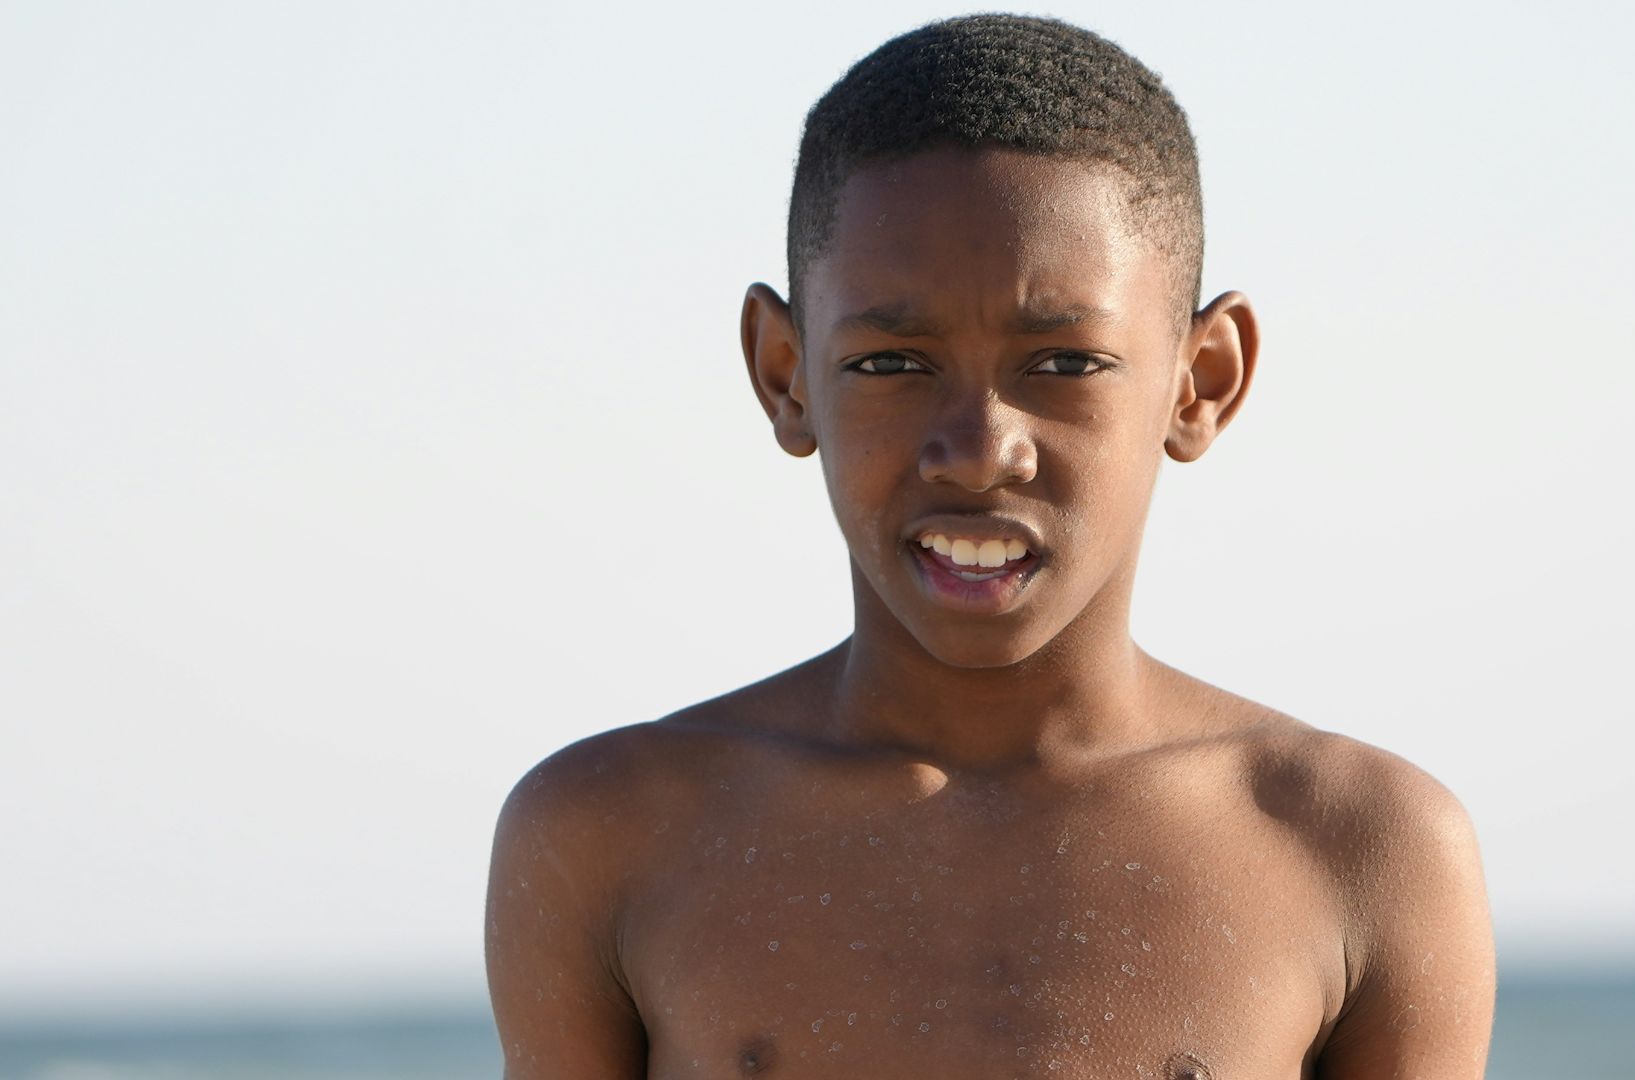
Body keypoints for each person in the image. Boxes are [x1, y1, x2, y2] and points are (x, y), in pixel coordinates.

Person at [485, 13, 1496, 1078]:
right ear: (787, 375)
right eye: (890, 363)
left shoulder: (1358, 850)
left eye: (1062, 362)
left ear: (1201, 381)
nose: (977, 452)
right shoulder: (616, 838)